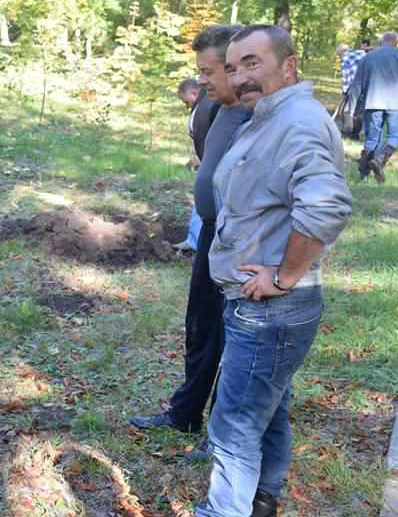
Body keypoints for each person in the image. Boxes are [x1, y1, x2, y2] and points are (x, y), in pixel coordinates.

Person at [196, 26, 352, 517]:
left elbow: (325, 208)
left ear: (289, 67)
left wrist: (282, 277)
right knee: (268, 403)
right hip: (261, 305)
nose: (240, 76)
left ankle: (225, 511)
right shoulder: (268, 116)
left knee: (234, 422)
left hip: (271, 307)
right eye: (234, 65)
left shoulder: (296, 123)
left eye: (253, 63)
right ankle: (263, 497)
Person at [130, 25, 249, 442]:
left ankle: (222, 432)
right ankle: (185, 412)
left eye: (210, 71)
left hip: (241, 241)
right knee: (200, 325)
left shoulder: (257, 116)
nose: (201, 80)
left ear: (235, 69)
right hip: (213, 235)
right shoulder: (218, 108)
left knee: (234, 336)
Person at [349, 31, 398, 183]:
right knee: (394, 136)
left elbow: (357, 84)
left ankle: (364, 175)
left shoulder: (368, 57)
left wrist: (351, 109)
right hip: (397, 103)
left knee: (372, 139)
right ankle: (380, 160)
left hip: (373, 101)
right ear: (396, 42)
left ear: (381, 42)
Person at [172, 78, 213, 253]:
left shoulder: (205, 107)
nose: (186, 106)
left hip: (212, 164)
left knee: (202, 201)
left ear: (194, 93)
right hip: (210, 161)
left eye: (186, 101)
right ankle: (198, 240)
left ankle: (196, 242)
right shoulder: (207, 104)